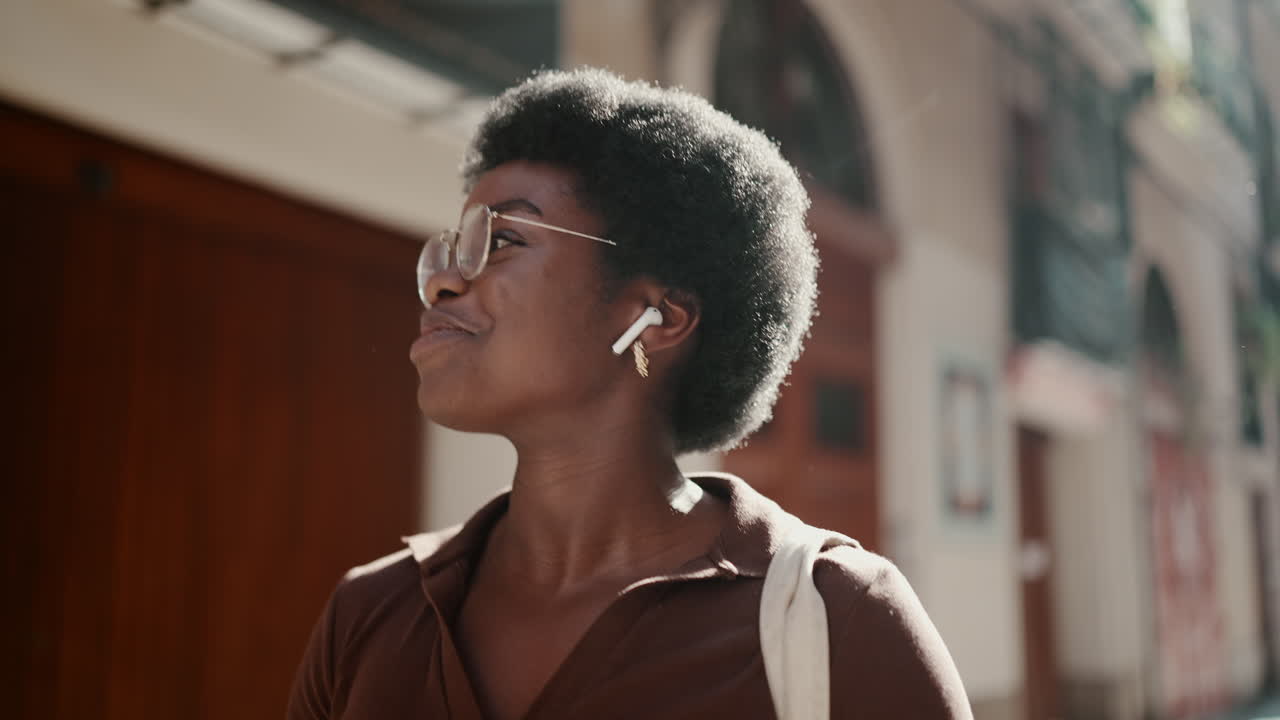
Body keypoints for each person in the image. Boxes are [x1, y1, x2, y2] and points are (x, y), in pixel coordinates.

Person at [287, 68, 970, 720]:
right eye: (449, 248)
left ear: (658, 316)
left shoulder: (843, 620)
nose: (442, 283)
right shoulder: (369, 611)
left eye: (501, 241)